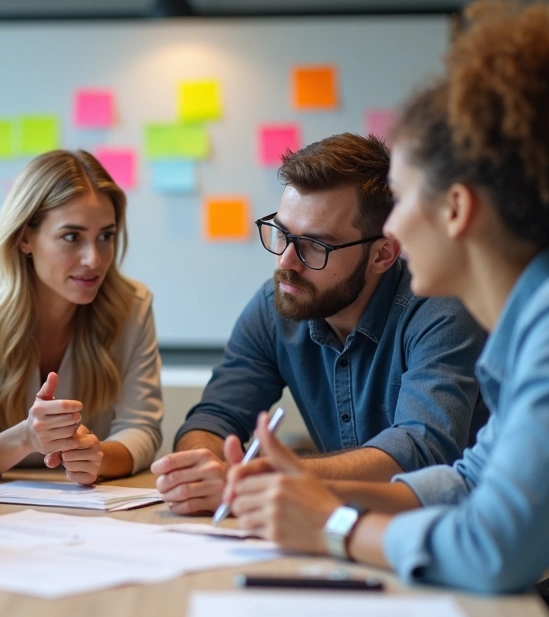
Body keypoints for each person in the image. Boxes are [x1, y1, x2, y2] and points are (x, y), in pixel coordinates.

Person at [226, 0, 549, 617]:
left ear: (456, 209)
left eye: (404, 198)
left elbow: (496, 549)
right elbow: (470, 481)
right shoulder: (539, 321)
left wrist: (329, 524)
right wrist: (311, 489)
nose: (391, 228)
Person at [152, 133, 488, 515]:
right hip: (338, 531)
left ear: (382, 254)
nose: (285, 262)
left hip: (458, 539)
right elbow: (215, 417)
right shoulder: (276, 303)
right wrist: (203, 464)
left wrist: (272, 475)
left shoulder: (439, 307)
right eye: (282, 234)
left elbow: (423, 450)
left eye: (315, 246)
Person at [0, 150, 163, 483]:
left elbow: (141, 429)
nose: (94, 259)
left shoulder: (132, 305)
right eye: (72, 237)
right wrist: (26, 438)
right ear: (25, 237)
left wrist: (98, 457)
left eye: (106, 236)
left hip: (89, 505)